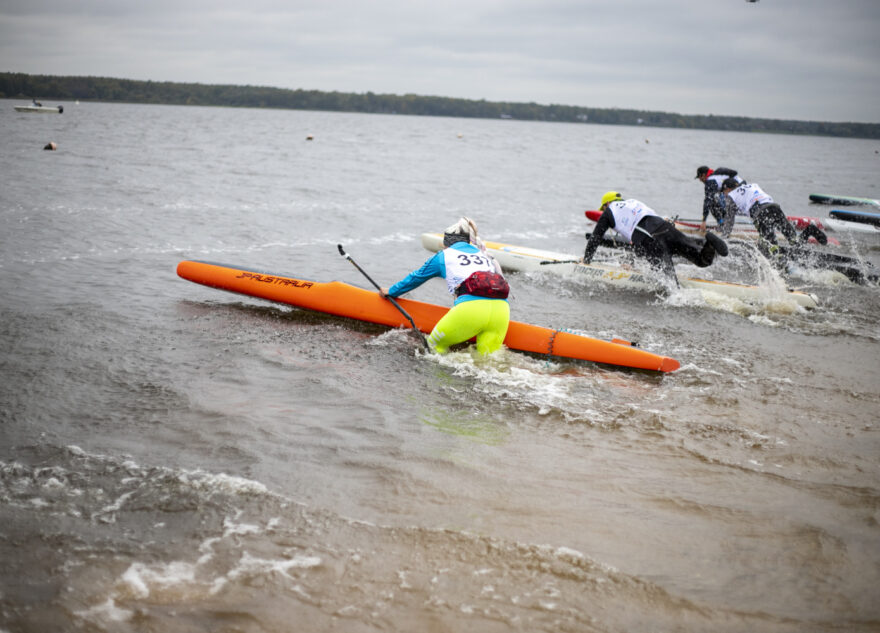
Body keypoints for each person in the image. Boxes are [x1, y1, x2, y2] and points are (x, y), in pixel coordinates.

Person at [382, 217, 510, 355]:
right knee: (489, 361)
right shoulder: (484, 256)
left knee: (433, 347)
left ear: (447, 243)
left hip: (471, 311)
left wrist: (391, 291)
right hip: (502, 311)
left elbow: (415, 278)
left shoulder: (443, 256)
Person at [581, 191, 729, 280]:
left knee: (667, 281)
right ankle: (709, 241)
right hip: (665, 228)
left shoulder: (609, 212)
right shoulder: (634, 202)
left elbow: (595, 238)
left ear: (606, 204)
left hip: (650, 237)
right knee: (701, 261)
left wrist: (586, 262)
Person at [720, 178, 827, 247]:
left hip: (761, 214)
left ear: (728, 189)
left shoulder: (731, 196)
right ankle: (810, 230)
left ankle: (781, 269)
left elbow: (729, 220)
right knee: (795, 241)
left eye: (724, 192)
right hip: (775, 208)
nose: (724, 195)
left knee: (770, 246)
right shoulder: (752, 185)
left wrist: (723, 239)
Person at [695, 166, 743, 236]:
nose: (700, 180)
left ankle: (724, 228)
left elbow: (707, 201)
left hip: (737, 188)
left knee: (712, 203)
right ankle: (723, 223)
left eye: (699, 177)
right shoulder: (716, 176)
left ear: (703, 175)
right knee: (716, 201)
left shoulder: (710, 181)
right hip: (740, 186)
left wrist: (704, 221)